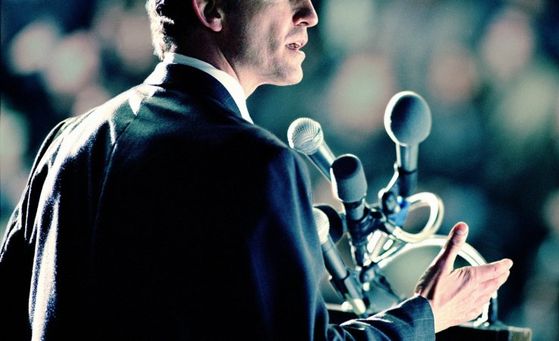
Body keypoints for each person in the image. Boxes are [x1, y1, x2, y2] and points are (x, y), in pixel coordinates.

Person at [0, 0, 513, 339]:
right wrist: (426, 313)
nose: (309, 13)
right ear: (212, 9)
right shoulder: (256, 163)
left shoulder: (68, 140)